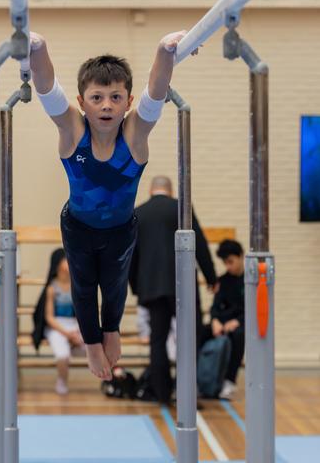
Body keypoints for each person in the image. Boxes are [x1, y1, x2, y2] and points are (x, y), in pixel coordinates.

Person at [29, 28, 196, 381]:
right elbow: (46, 88)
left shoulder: (135, 133)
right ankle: (92, 343)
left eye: (115, 97)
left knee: (116, 283)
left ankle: (112, 329)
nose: (106, 105)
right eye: (97, 97)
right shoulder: (72, 129)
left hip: (122, 228)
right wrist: (37, 47)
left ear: (128, 101)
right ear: (81, 101)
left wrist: (165, 51)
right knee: (84, 284)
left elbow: (157, 90)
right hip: (77, 226)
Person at [129, 175, 217, 404]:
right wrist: (211, 276)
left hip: (152, 287)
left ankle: (161, 394)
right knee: (189, 338)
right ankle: (186, 394)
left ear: (151, 191)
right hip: (183, 285)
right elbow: (200, 244)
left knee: (157, 340)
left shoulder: (139, 212)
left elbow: (130, 253)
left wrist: (136, 286)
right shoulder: (182, 209)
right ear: (170, 191)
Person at [202, 239, 245, 400]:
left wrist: (238, 321)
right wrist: (215, 321)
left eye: (231, 262)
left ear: (241, 257)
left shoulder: (250, 281)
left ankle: (229, 381)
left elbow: (252, 309)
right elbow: (215, 306)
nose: (228, 266)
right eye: (225, 263)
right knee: (199, 332)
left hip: (240, 324)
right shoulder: (223, 281)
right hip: (221, 322)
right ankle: (199, 380)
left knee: (239, 335)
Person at [43, 249, 85, 394]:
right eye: (66, 260)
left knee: (94, 347)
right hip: (57, 326)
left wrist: (77, 331)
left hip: (74, 325)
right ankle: (62, 380)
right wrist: (66, 334)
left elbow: (81, 313)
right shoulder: (52, 288)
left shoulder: (76, 286)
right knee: (62, 355)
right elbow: (49, 317)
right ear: (58, 264)